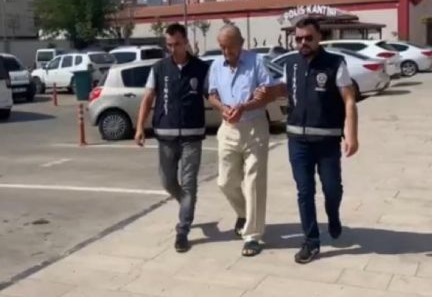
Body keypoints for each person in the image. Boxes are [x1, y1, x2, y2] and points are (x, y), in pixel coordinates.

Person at [257, 17, 358, 264]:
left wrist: (352, 135)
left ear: (319, 37)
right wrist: (266, 93)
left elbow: (349, 100)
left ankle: (333, 215)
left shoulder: (335, 63)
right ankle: (311, 242)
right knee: (305, 191)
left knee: (332, 189)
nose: (303, 42)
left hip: (327, 140)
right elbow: (284, 88)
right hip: (297, 141)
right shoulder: (291, 63)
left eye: (308, 38)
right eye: (299, 38)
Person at [134, 23, 209, 253]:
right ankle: (187, 203)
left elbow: (213, 94)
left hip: (192, 136)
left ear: (186, 42)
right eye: (169, 45)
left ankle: (182, 230)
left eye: (177, 44)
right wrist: (140, 127)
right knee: (167, 181)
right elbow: (148, 98)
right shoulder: (159, 68)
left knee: (189, 183)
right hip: (165, 135)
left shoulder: (201, 68)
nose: (173, 49)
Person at [207, 24, 276, 257]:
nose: (226, 52)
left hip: (254, 127)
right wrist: (222, 108)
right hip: (228, 128)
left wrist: (244, 106)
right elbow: (212, 94)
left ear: (241, 43)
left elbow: (265, 94)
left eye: (231, 47)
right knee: (225, 182)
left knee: (254, 182)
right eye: (222, 47)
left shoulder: (257, 62)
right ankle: (245, 213)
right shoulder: (216, 65)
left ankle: (253, 236)